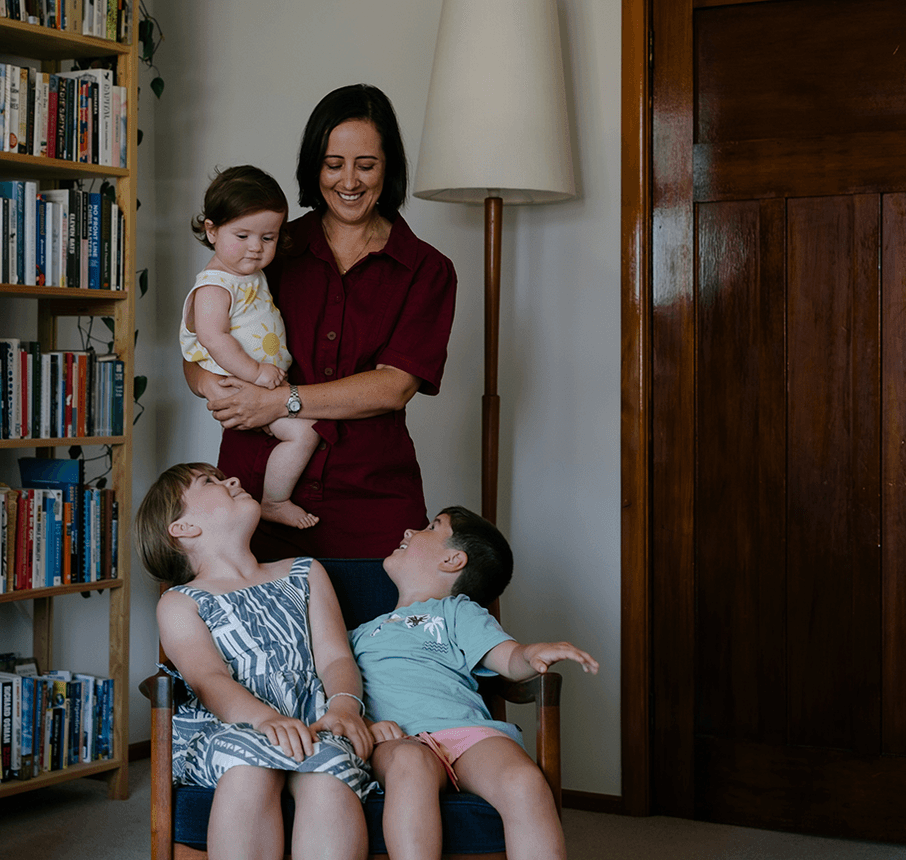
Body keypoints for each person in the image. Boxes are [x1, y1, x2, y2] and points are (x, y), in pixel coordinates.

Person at [183, 84, 457, 560]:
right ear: (314, 165)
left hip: (371, 509)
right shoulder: (267, 246)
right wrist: (212, 385)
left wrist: (277, 403)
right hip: (251, 504)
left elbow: (393, 387)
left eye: (366, 165)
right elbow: (200, 346)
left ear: (388, 167)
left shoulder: (426, 269)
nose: (349, 181)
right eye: (334, 164)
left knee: (385, 636)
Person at [136, 462, 374, 860]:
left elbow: (335, 656)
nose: (232, 480)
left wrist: (346, 706)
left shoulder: (304, 572)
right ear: (183, 528)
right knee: (248, 766)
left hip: (311, 721)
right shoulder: (180, 602)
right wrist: (263, 720)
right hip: (230, 723)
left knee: (330, 770)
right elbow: (208, 679)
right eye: (209, 482)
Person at [351, 506, 599, 860]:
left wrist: (532, 653)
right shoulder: (360, 634)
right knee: (412, 765)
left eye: (430, 527)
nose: (409, 530)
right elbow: (336, 689)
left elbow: (508, 659)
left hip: (466, 733)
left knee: (524, 782)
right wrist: (365, 725)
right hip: (397, 737)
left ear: (453, 560)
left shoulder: (457, 611)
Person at [180, 166, 320, 530]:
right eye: (242, 235)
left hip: (263, 387)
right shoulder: (214, 286)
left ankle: (274, 498)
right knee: (305, 433)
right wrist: (257, 373)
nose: (256, 247)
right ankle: (275, 500)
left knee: (304, 433)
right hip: (247, 385)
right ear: (211, 230)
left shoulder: (247, 275)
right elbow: (213, 338)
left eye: (268, 238)